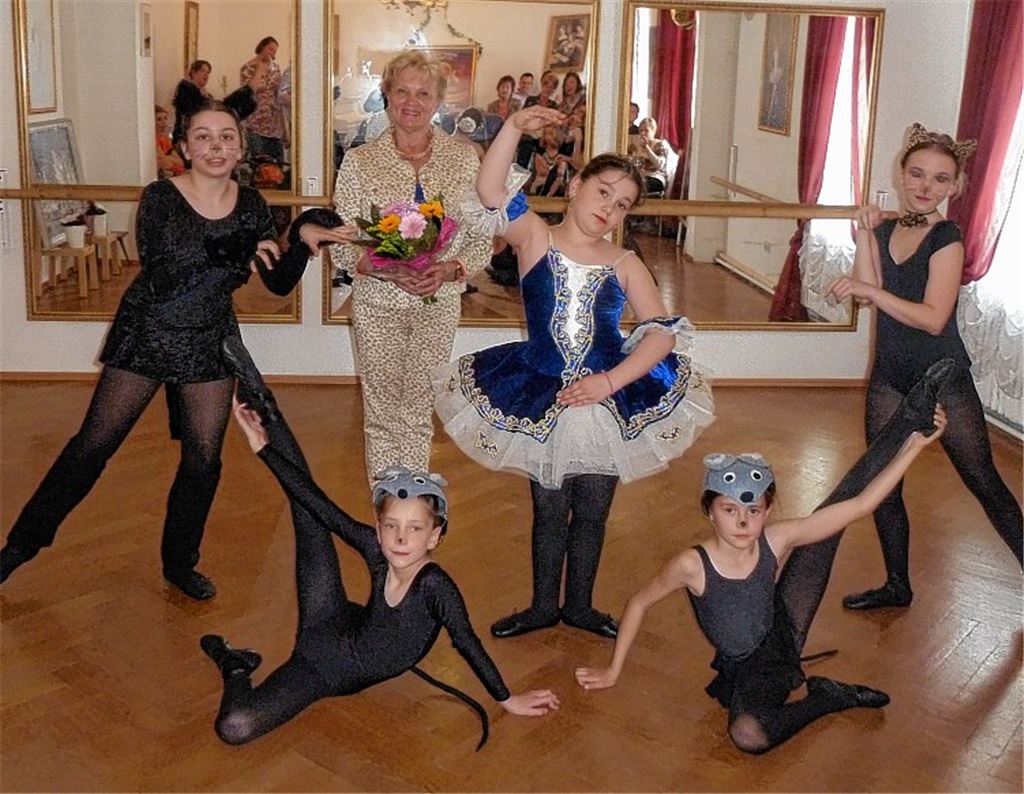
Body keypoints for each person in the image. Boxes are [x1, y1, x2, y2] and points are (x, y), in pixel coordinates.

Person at [0, 99, 308, 599]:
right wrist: (239, 251)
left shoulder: (251, 205)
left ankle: (180, 563)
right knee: (91, 448)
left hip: (208, 338)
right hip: (149, 332)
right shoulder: (161, 197)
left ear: (241, 146)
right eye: (204, 136)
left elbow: (275, 282)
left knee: (204, 460)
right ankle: (17, 549)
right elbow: (168, 269)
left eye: (227, 136)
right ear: (185, 146)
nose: (216, 146)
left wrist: (304, 241)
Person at [434, 106, 715, 640]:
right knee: (549, 505)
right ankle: (543, 605)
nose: (609, 208)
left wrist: (611, 382)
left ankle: (580, 605)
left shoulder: (625, 262)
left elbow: (661, 332)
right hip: (542, 388)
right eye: (604, 191)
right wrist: (515, 128)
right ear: (577, 185)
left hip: (607, 397)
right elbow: (491, 192)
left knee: (592, 507)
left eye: (623, 204)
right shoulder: (535, 237)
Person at [200, 337, 559, 746]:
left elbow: (467, 642)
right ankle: (256, 388)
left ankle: (235, 666)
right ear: (380, 524)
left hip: (326, 673)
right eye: (391, 526)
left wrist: (507, 699)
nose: (401, 538)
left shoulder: (435, 587)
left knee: (235, 727)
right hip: (324, 623)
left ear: (435, 536)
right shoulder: (377, 549)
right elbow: (320, 503)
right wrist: (263, 448)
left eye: (415, 528)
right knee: (309, 512)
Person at [574, 397, 948, 754]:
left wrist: (914, 445)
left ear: (767, 512)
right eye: (729, 509)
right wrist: (612, 670)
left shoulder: (775, 536)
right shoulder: (692, 564)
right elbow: (640, 602)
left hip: (782, 629)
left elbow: (862, 504)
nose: (742, 521)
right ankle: (827, 698)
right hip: (747, 661)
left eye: (753, 510)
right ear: (710, 512)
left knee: (835, 510)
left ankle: (908, 418)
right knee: (749, 734)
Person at [825, 123, 1023, 609]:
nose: (924, 187)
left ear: (954, 188)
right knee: (883, 481)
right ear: (901, 174)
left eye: (939, 179)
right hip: (891, 373)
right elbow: (870, 289)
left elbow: (934, 319)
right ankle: (897, 584)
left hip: (942, 376)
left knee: (982, 479)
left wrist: (870, 289)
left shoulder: (947, 237)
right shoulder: (890, 227)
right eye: (916, 174)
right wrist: (867, 236)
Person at [323, 51, 492, 484]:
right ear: (387, 96)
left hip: (438, 302)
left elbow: (480, 239)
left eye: (423, 93)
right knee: (380, 410)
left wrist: (452, 268)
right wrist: (386, 269)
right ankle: (386, 508)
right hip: (378, 302)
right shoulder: (360, 162)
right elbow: (344, 241)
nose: (412, 102)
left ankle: (413, 506)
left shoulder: (464, 161)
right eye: (402, 91)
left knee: (418, 406)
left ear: (439, 102)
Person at [239, 36, 288, 163]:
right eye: (270, 49)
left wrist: (284, 128)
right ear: (262, 47)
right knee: (260, 164)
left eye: (275, 51)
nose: (272, 54)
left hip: (274, 123)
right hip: (255, 123)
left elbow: (279, 95)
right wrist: (260, 69)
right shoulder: (248, 68)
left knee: (278, 164)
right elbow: (248, 92)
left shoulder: (276, 68)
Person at [628, 117, 671, 196]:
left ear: (653, 131)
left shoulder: (660, 145)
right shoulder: (635, 146)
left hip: (654, 178)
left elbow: (659, 165)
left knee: (640, 186)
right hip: (639, 177)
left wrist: (647, 148)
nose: (643, 133)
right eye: (641, 131)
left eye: (646, 130)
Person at [155, 105, 185, 178]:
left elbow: (180, 162)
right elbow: (163, 162)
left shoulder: (165, 138)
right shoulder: (151, 140)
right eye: (159, 119)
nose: (164, 122)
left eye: (165, 118)